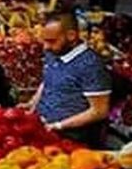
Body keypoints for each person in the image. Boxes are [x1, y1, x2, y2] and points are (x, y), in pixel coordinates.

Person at [25, 12, 112, 146]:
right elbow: (48, 81)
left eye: (51, 41)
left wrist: (59, 125)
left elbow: (99, 111)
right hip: (44, 129)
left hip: (71, 138)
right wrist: (32, 105)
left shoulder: (91, 65)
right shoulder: (54, 52)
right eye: (44, 41)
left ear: (71, 36)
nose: (45, 47)